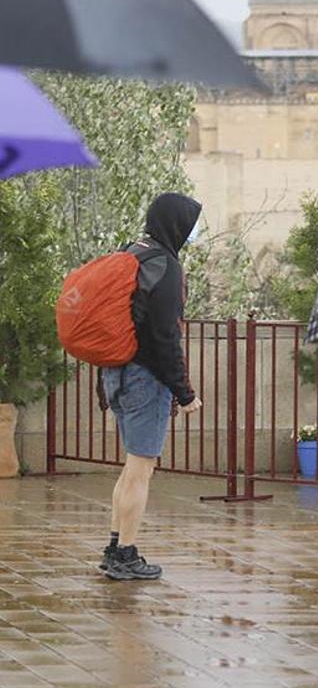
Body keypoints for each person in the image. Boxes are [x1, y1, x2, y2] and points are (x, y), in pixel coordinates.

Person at [100, 193, 204, 580]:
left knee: (131, 468)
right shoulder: (165, 265)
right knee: (141, 470)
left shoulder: (132, 253)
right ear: (176, 224)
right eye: (189, 224)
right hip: (146, 379)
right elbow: (164, 338)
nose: (191, 232)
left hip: (117, 372)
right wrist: (185, 392)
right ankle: (125, 553)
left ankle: (115, 546)